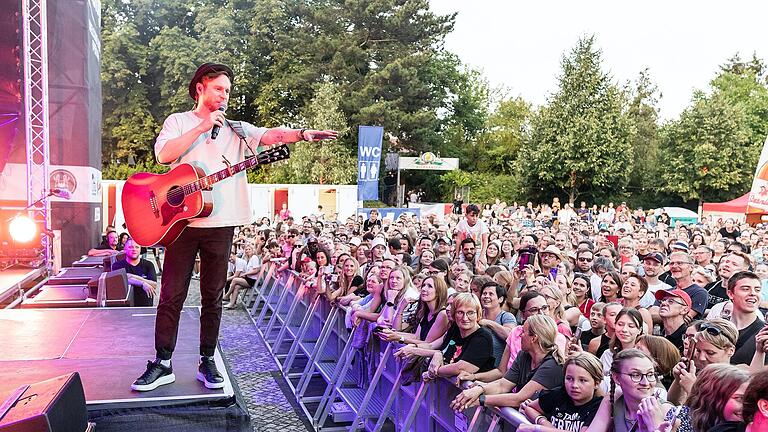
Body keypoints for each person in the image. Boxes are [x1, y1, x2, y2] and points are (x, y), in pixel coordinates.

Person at [131, 62, 338, 392]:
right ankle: (163, 362)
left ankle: (207, 360)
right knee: (171, 295)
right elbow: (162, 155)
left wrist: (301, 135)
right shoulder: (178, 122)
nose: (224, 96)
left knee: (213, 296)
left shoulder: (237, 129)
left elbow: (271, 136)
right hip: (180, 224)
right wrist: (201, 128)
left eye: (228, 91)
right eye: (218, 89)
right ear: (200, 88)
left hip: (221, 223)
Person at [450, 314, 565, 410]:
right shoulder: (524, 355)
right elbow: (502, 385)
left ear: (534, 338)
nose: (519, 335)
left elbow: (519, 399)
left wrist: (480, 399)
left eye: (523, 332)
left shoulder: (552, 365)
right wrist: (479, 389)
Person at [517, 352, 605, 432]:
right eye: (569, 379)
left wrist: (537, 428)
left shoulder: (599, 406)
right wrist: (543, 421)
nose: (574, 385)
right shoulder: (558, 394)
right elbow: (530, 408)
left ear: (596, 383)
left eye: (582, 380)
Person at [112, 238, 158, 307]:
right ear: (125, 249)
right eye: (130, 247)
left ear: (140, 249)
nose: (134, 249)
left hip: (145, 307)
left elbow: (154, 284)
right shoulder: (117, 265)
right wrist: (143, 283)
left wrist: (133, 276)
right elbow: (121, 281)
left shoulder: (148, 264)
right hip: (124, 307)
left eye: (137, 247)